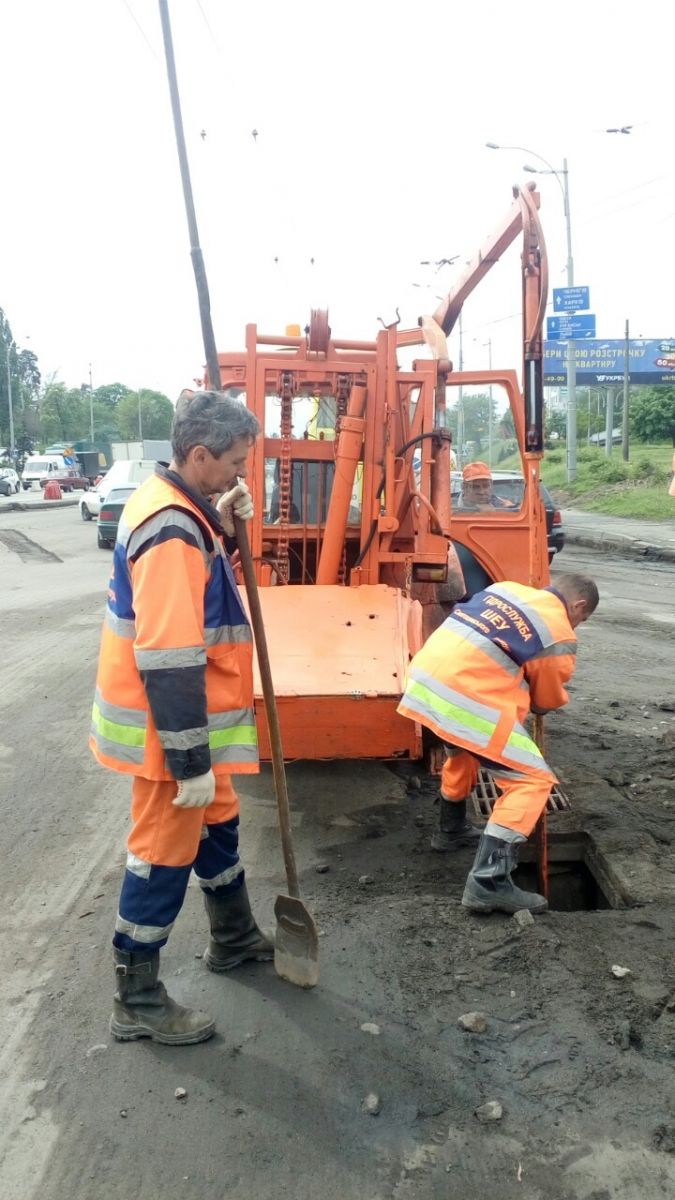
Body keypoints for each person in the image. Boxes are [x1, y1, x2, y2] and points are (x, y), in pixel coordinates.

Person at [90, 389, 273, 1046]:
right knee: (162, 857)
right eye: (234, 464)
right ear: (199, 455)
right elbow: (169, 655)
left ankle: (233, 935)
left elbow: (201, 596)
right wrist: (189, 761)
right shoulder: (169, 530)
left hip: (195, 725)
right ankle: (136, 997)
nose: (240, 475)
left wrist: (223, 521)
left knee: (220, 823)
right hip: (168, 735)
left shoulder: (185, 511)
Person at [397, 573, 599, 914]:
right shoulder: (558, 633)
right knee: (533, 780)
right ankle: (488, 883)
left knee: (464, 753)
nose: (578, 625)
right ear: (578, 605)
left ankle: (451, 830)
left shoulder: (506, 589)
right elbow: (546, 699)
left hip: (424, 682)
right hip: (466, 699)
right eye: (583, 618)